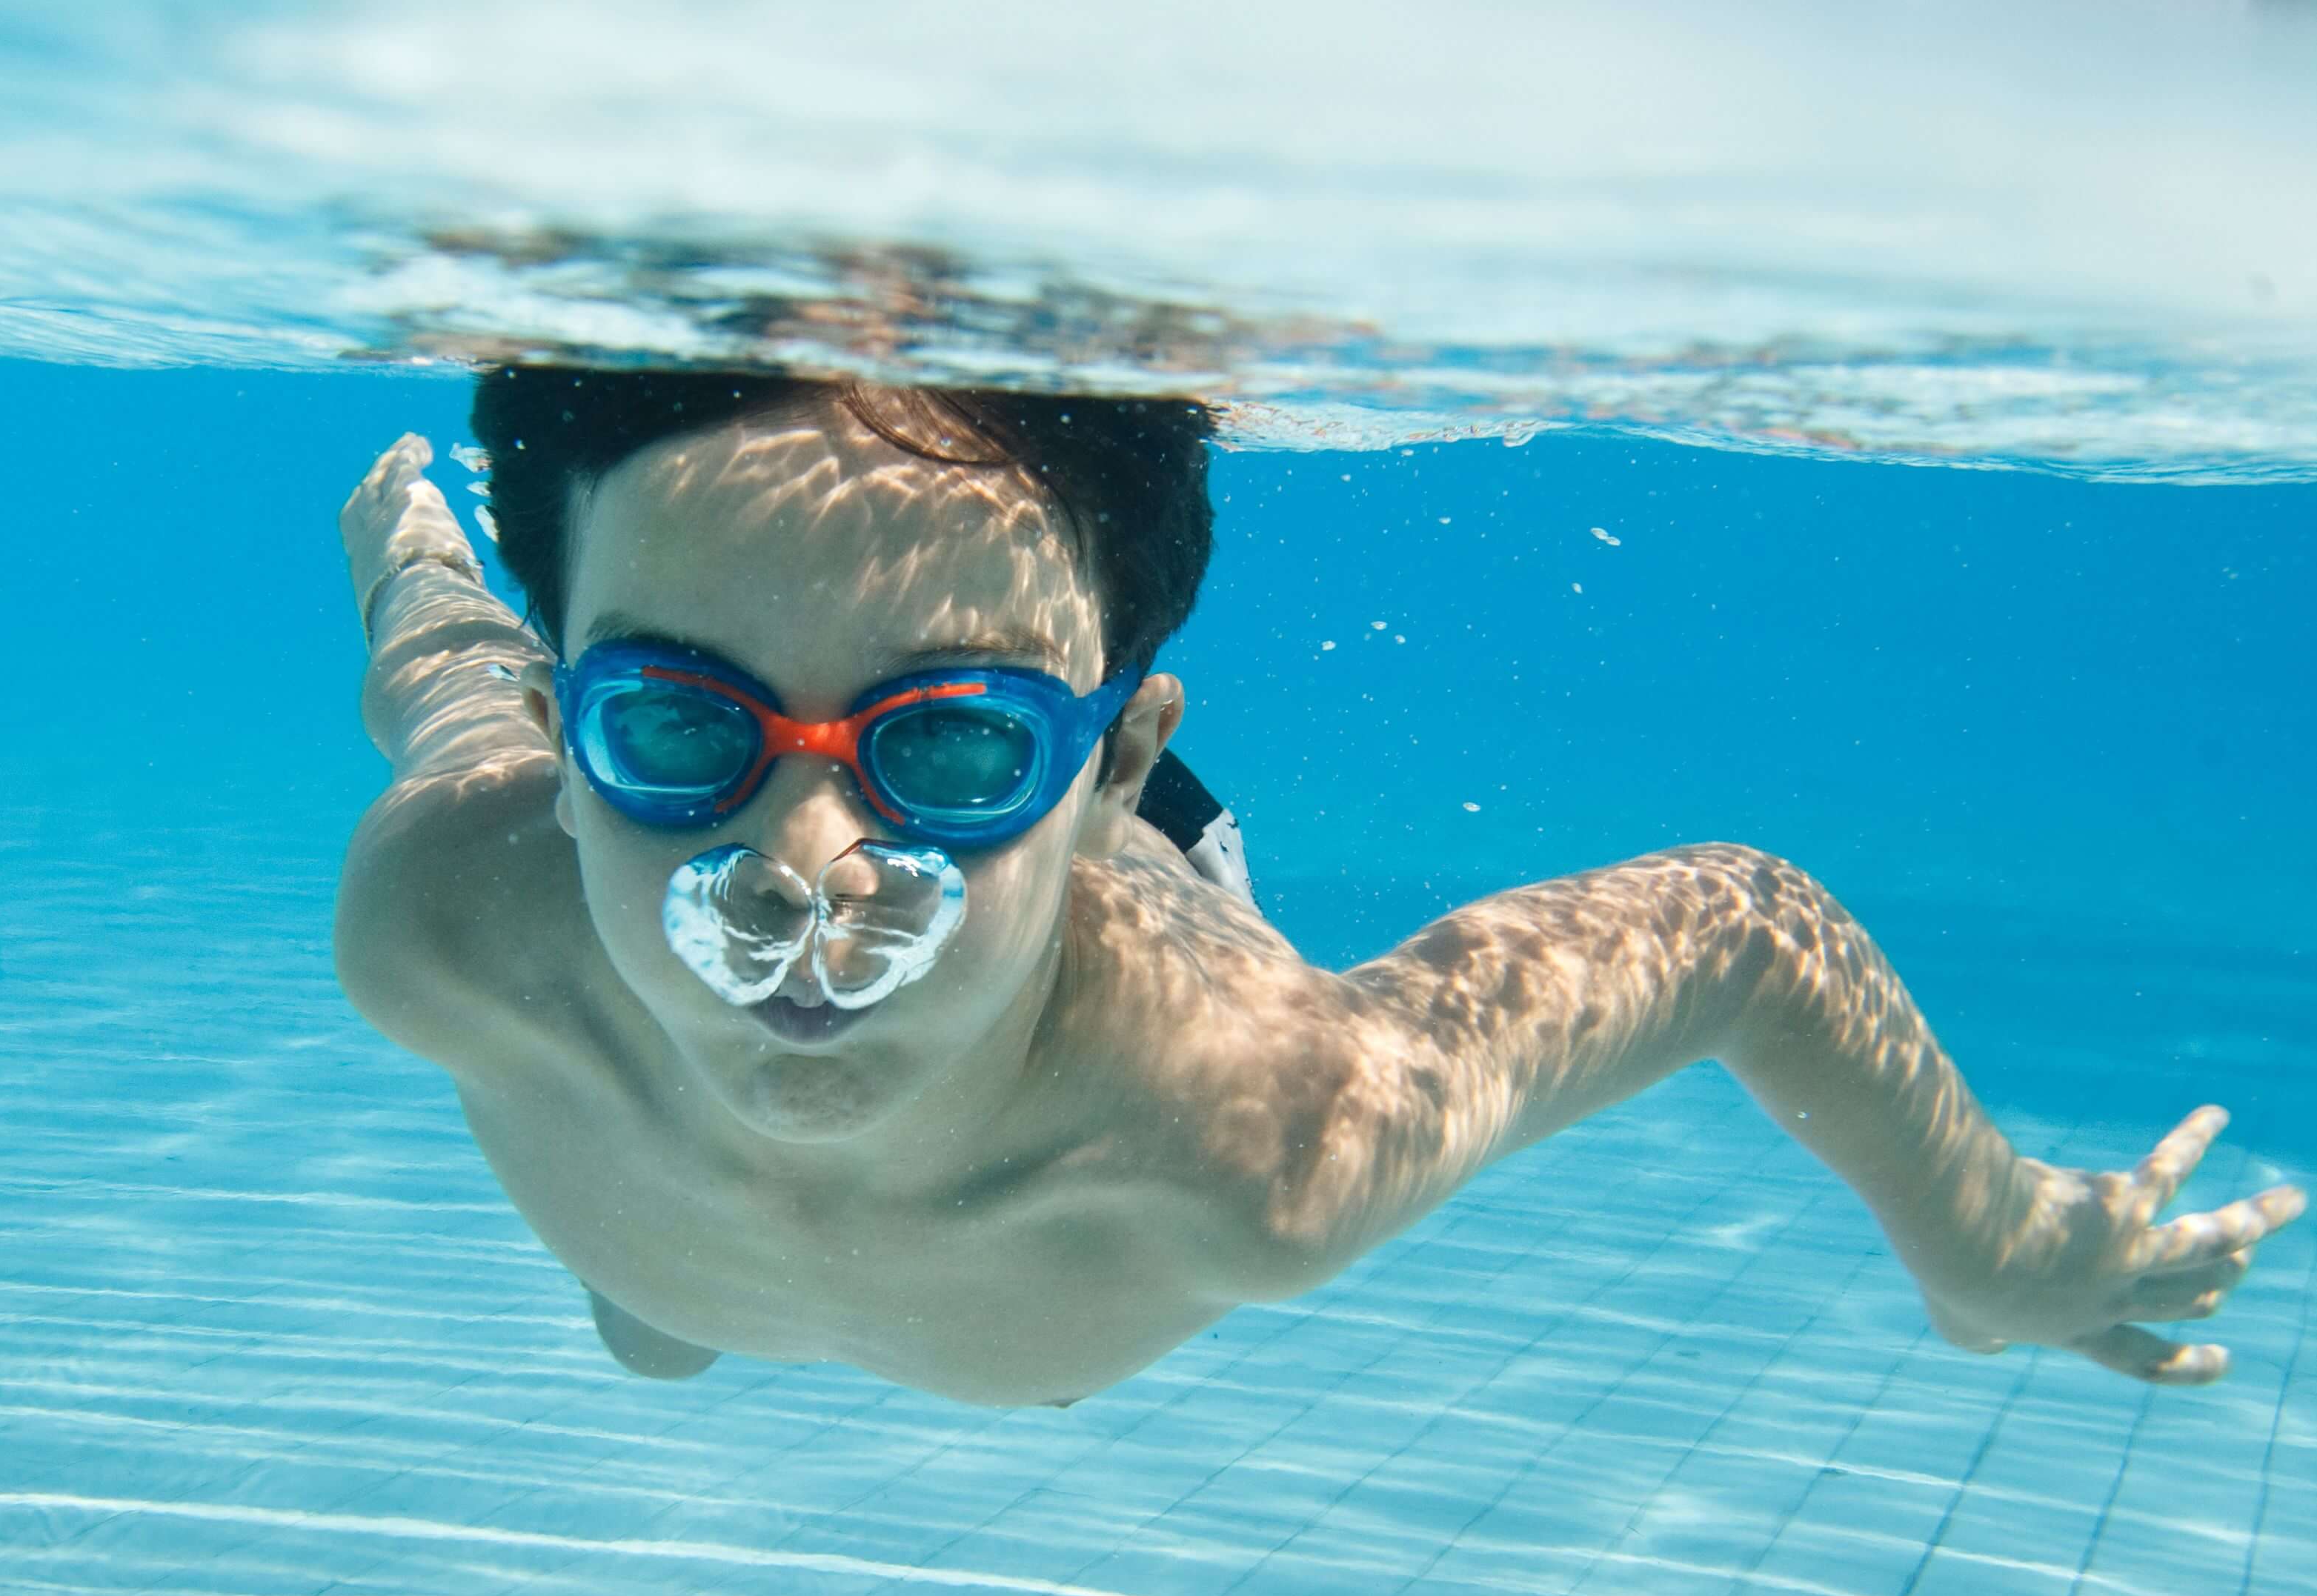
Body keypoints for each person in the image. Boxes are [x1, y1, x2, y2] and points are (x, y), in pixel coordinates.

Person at [335, 369, 2299, 1408]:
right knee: (654, 1329)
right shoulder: (452, 925)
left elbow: (1737, 923)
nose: (806, 876)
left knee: (663, 1316)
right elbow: (453, 690)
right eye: (677, 734)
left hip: (1138, 949)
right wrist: (419, 562)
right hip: (683, 1222)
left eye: (950, 753)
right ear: (575, 716)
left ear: (1108, 765)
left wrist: (1992, 1244)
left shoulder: (1255, 1142)